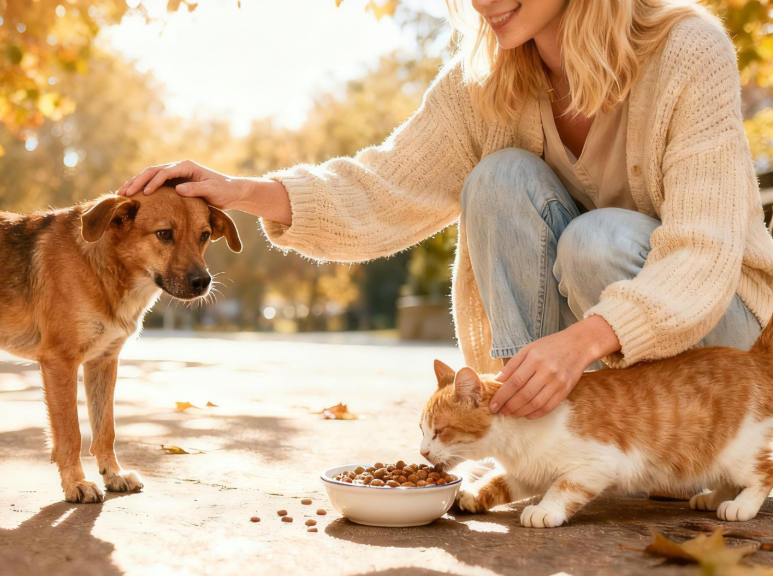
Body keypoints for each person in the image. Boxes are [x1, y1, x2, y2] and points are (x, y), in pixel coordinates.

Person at [117, 0, 772, 420]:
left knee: (594, 242)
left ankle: (695, 447)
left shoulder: (687, 50)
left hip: (734, 365)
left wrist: (582, 342)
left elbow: (702, 254)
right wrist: (241, 190)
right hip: (621, 398)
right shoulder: (483, 83)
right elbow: (381, 186)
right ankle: (528, 433)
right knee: (497, 179)